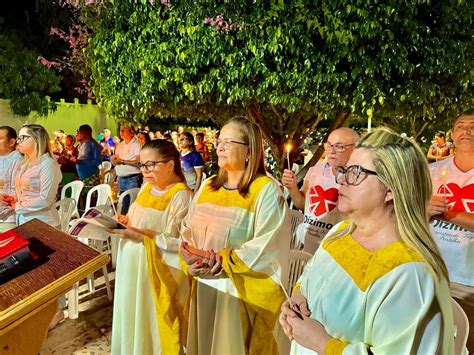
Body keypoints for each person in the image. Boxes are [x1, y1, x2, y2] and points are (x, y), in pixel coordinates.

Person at [279, 127, 454, 354]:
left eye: (355, 173)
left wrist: (321, 343)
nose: (340, 179)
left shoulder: (410, 273)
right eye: (344, 170)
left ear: (390, 188)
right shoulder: (342, 232)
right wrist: (296, 299)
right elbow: (309, 276)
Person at [180, 116, 290, 355]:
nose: (219, 147)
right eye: (219, 140)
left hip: (236, 295)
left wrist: (221, 260)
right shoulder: (208, 186)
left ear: (249, 151)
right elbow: (186, 230)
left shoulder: (266, 191)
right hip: (202, 285)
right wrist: (190, 259)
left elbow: (266, 247)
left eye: (228, 142)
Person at [111, 139, 193, 354]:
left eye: (150, 165)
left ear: (170, 165)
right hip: (132, 267)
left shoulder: (181, 195)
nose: (144, 171)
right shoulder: (147, 188)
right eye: (141, 165)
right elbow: (135, 220)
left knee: (149, 322)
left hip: (153, 272)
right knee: (132, 317)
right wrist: (125, 222)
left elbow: (178, 243)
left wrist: (141, 236)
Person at [282, 127, 359, 253]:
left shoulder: (359, 178)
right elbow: (302, 204)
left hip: (335, 250)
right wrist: (292, 187)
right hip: (305, 245)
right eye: (329, 145)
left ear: (355, 148)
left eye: (339, 146)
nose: (331, 151)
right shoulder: (315, 170)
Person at [428, 113, 474, 289]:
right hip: (431, 270)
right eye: (460, 126)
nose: (466, 130)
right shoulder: (431, 172)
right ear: (452, 135)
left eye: (473, 126)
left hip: (468, 281)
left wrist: (446, 214)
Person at [13, 124, 62, 226]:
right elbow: (26, 191)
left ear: (36, 139)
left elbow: (45, 200)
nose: (18, 141)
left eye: (22, 138)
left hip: (43, 223)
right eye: (18, 138)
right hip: (24, 220)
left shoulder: (47, 164)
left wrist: (18, 206)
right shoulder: (25, 163)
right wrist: (15, 199)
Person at [111, 125, 142, 213]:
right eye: (120, 130)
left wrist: (123, 161)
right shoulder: (120, 145)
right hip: (121, 178)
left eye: (124, 130)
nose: (121, 132)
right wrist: (113, 161)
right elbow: (116, 160)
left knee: (131, 204)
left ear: (131, 132)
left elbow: (138, 162)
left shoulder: (137, 144)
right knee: (123, 204)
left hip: (132, 178)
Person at [0, 126, 22, 233]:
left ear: (12, 142)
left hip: (7, 218)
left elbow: (18, 191)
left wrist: (5, 198)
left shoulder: (17, 160)